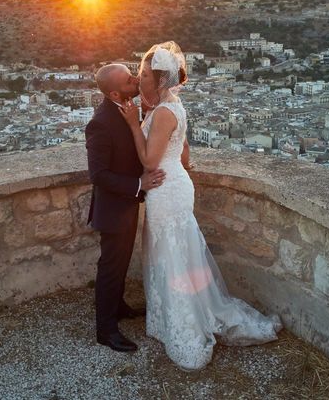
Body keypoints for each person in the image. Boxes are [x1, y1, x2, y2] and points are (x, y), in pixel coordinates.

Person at [118, 41, 282, 370]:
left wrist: (135, 126)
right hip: (175, 184)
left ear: (159, 78)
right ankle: (179, 316)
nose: (141, 78)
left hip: (165, 189)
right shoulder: (173, 106)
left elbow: (150, 162)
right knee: (181, 251)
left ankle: (183, 326)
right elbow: (185, 154)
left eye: (145, 73)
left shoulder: (163, 112)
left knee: (170, 255)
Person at [85, 63, 166, 352]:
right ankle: (105, 331)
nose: (136, 80)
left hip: (127, 205)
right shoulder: (101, 122)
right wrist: (138, 184)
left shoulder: (128, 108)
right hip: (113, 209)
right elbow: (98, 175)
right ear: (116, 92)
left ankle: (118, 307)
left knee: (119, 264)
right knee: (110, 268)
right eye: (130, 79)